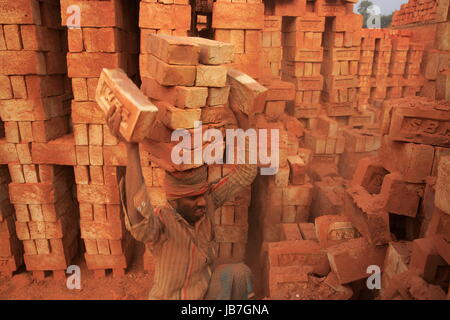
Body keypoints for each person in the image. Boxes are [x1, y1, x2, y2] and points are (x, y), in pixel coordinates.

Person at [106, 105, 258, 300]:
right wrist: (131, 148)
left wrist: (242, 126)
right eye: (193, 198)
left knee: (239, 273)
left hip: (203, 294)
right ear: (174, 201)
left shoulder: (208, 201)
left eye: (203, 194)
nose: (202, 202)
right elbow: (138, 219)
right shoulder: (161, 225)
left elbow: (246, 172)